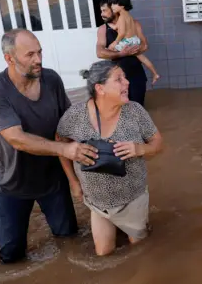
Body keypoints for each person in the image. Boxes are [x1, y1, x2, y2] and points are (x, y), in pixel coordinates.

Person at [0, 28, 100, 264]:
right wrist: (64, 150)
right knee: (11, 255)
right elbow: (17, 138)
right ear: (9, 58)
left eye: (40, 52)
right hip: (12, 184)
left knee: (69, 240)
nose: (38, 60)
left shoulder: (51, 79)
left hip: (53, 180)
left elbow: (68, 123)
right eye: (30, 55)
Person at [56, 60, 164, 256]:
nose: (127, 83)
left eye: (125, 78)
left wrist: (140, 149)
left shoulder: (135, 111)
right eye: (119, 79)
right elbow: (60, 142)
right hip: (97, 204)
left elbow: (158, 143)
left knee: (141, 252)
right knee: (104, 255)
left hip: (132, 198)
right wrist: (73, 181)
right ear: (100, 88)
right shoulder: (75, 116)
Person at [96, 0, 149, 107]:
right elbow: (100, 53)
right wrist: (121, 53)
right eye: (101, 11)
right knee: (120, 110)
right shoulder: (103, 29)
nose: (102, 14)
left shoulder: (134, 24)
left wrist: (136, 49)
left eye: (105, 11)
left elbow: (145, 45)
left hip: (136, 74)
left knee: (138, 108)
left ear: (114, 9)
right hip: (116, 77)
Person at [108, 0, 160, 85]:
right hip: (134, 40)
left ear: (122, 5)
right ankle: (155, 73)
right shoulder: (128, 16)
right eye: (111, 4)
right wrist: (111, 25)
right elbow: (117, 27)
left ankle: (111, 78)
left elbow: (122, 32)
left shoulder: (121, 17)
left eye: (114, 4)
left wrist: (115, 43)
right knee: (142, 58)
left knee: (110, 50)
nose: (112, 6)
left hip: (127, 42)